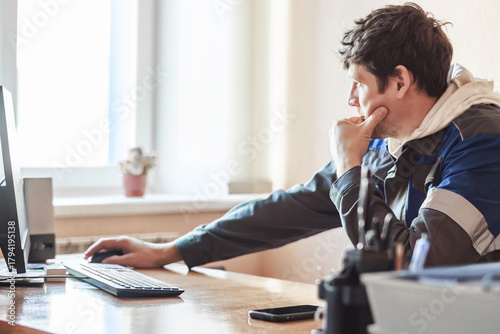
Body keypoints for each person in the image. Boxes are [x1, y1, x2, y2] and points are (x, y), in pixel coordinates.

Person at [85, 3, 500, 270]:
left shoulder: (481, 141)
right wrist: (173, 251)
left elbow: (417, 265)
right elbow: (292, 208)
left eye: (358, 83)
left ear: (399, 82)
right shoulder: (387, 140)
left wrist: (349, 169)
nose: (350, 98)